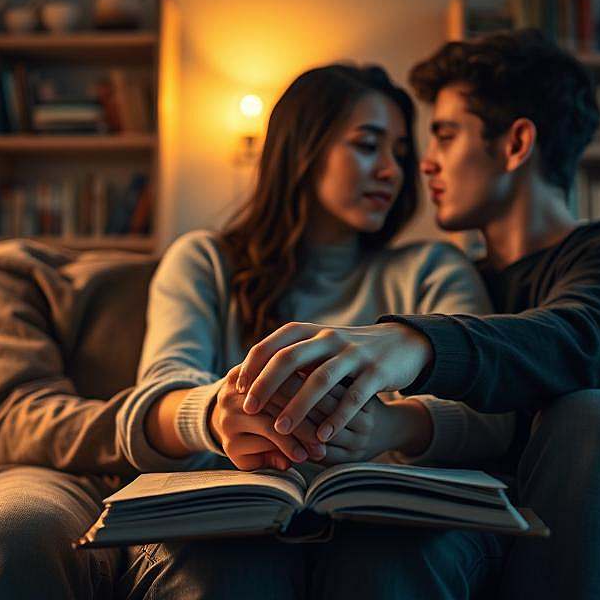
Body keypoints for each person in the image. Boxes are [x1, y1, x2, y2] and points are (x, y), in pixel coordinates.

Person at [235, 31, 600, 599]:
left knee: (592, 416)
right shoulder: (460, 281)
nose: (422, 165)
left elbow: (579, 341)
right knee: (387, 541)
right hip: (518, 512)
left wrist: (414, 345)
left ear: (516, 143)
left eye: (445, 136)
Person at [117, 63, 513, 599]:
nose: (394, 171)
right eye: (368, 145)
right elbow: (152, 399)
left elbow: (495, 410)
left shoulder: (431, 269)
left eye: (399, 152)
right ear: (302, 147)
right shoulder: (204, 260)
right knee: (229, 570)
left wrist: (391, 428)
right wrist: (217, 414)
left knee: (385, 565)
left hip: (387, 528)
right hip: (231, 524)